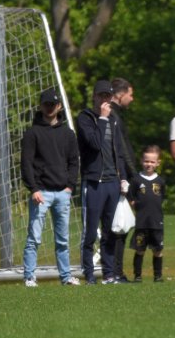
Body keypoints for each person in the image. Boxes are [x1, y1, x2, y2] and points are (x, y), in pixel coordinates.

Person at [20, 88, 81, 287]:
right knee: (34, 238)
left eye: (52, 104)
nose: (49, 108)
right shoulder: (32, 133)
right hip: (41, 193)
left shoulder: (68, 134)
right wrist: (34, 188)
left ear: (59, 106)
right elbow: (26, 163)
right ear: (40, 106)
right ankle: (29, 276)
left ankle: (65, 277)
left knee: (62, 240)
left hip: (62, 192)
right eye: (46, 104)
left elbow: (74, 162)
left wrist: (70, 186)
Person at [77, 80, 128, 285]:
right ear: (94, 97)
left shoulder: (113, 120)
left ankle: (108, 274)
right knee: (90, 232)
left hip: (112, 182)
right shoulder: (85, 118)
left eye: (108, 96)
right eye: (101, 96)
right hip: (94, 182)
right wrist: (103, 119)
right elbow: (95, 143)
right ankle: (89, 274)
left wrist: (123, 176)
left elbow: (119, 151)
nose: (104, 100)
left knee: (110, 231)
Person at [110, 78, 135, 282]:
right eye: (130, 94)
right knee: (119, 226)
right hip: (118, 179)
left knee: (119, 225)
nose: (132, 99)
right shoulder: (113, 116)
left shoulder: (115, 115)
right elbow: (123, 152)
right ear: (120, 94)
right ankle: (115, 272)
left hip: (116, 178)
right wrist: (134, 177)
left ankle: (113, 271)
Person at [129, 145, 166, 283]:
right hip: (141, 222)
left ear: (158, 163)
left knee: (158, 250)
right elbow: (131, 199)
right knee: (140, 250)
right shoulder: (136, 180)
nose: (149, 164)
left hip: (156, 222)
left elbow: (162, 197)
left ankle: (158, 276)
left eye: (152, 162)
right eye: (146, 161)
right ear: (141, 161)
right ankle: (137, 276)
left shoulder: (160, 181)